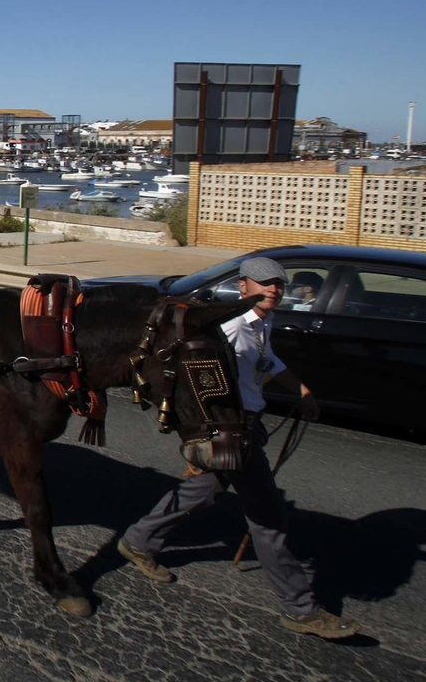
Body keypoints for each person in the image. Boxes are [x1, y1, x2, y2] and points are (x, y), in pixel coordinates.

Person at [117, 256, 360, 640]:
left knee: (203, 491)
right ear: (243, 287)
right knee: (267, 517)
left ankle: (138, 541)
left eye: (279, 285)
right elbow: (191, 376)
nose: (274, 291)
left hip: (247, 425)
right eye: (264, 284)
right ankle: (300, 608)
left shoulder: (262, 322)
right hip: (231, 430)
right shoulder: (228, 327)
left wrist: (301, 390)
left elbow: (269, 361)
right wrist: (204, 435)